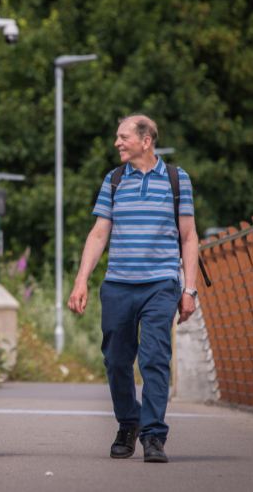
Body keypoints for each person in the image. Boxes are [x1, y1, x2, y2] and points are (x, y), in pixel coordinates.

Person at [68, 114, 199, 463]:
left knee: (155, 358)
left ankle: (153, 434)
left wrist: (190, 289)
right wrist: (81, 280)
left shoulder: (176, 179)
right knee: (116, 360)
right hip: (117, 285)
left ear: (146, 140)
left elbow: (189, 237)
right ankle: (129, 422)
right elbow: (98, 234)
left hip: (160, 283)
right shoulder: (113, 180)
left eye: (123, 137)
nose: (117, 143)